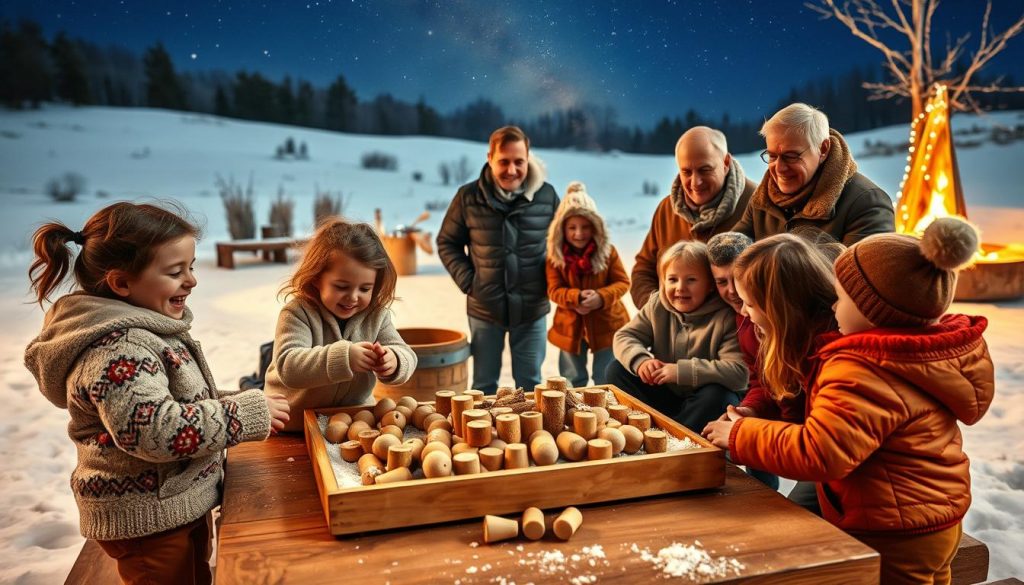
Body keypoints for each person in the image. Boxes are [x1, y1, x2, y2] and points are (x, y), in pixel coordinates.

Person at [705, 218, 994, 585]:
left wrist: (740, 435)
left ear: (872, 309)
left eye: (840, 296)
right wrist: (758, 410)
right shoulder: (903, 357)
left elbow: (821, 451)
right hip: (929, 518)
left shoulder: (862, 370)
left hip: (894, 531)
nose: (833, 303)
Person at [24, 202, 289, 585]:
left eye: (192, 267)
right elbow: (152, 430)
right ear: (122, 283)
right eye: (175, 272)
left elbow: (180, 401)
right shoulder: (117, 348)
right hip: (147, 522)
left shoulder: (148, 330)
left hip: (175, 503)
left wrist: (251, 400)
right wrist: (240, 414)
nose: (192, 281)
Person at [437, 125, 559, 393]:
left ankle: (531, 436)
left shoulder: (547, 196)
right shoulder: (467, 197)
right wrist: (470, 282)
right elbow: (447, 242)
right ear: (489, 158)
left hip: (532, 308)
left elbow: (561, 246)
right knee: (483, 386)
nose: (512, 170)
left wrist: (554, 284)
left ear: (529, 158)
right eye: (504, 161)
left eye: (519, 162)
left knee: (531, 387)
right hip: (485, 308)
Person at [264, 218, 417, 432]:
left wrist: (394, 360)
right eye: (342, 286)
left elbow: (407, 353)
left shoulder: (376, 316)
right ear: (317, 277)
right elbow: (289, 366)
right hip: (293, 424)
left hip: (352, 423)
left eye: (365, 289)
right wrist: (344, 357)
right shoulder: (297, 312)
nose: (353, 297)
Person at [608, 240, 747, 432]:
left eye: (691, 280)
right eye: (672, 279)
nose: (680, 287)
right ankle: (643, 427)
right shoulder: (658, 304)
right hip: (666, 393)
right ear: (662, 282)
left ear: (710, 285)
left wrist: (681, 371)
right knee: (616, 369)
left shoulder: (725, 317)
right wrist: (641, 361)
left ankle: (677, 436)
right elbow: (625, 336)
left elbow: (739, 373)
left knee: (721, 397)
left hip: (701, 401)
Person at [732, 102, 894, 245]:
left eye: (791, 156)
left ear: (823, 149)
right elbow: (734, 245)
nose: (779, 168)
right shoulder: (763, 198)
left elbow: (860, 276)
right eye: (772, 156)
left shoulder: (867, 203)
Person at [630, 126, 756, 307]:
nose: (695, 182)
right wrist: (659, 314)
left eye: (705, 170)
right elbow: (644, 270)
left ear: (726, 162)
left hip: (735, 331)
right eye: (686, 172)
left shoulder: (757, 205)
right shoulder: (667, 209)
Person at [706, 231, 781, 490]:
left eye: (737, 279)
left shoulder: (775, 315)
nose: (731, 291)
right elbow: (759, 381)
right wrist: (750, 409)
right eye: (721, 282)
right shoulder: (740, 319)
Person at [545, 181, 630, 387]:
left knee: (606, 377)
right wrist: (575, 298)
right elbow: (554, 290)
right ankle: (576, 413)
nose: (579, 233)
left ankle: (606, 413)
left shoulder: (608, 252)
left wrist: (600, 297)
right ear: (561, 229)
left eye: (585, 227)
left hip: (607, 325)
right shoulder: (555, 258)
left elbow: (622, 282)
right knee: (572, 378)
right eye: (572, 227)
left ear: (595, 227)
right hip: (570, 327)